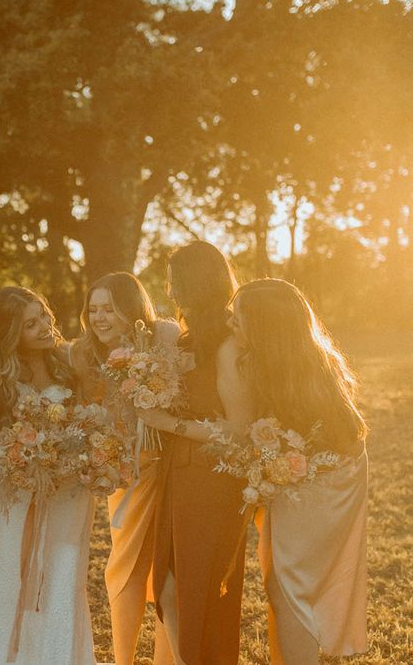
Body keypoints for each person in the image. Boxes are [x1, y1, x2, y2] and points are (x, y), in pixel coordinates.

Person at [151, 278, 368, 665]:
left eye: (239, 319)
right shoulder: (263, 356)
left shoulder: (304, 368)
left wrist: (173, 424)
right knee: (281, 585)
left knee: (289, 589)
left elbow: (338, 436)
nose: (230, 324)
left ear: (266, 326)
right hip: (297, 474)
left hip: (327, 480)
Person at [136, 242, 256, 665]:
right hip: (180, 475)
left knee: (198, 591)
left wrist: (169, 424)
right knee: (167, 586)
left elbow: (240, 431)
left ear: (193, 282)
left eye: (174, 281)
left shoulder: (227, 344)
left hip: (211, 480)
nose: (169, 291)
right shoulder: (192, 340)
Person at [0, 286, 96, 665]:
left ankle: (60, 656)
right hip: (15, 482)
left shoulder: (67, 359)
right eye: (31, 324)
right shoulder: (0, 367)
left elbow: (85, 417)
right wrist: (22, 458)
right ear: (13, 332)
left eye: (44, 315)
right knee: (12, 569)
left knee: (63, 571)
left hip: (68, 484)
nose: (45, 326)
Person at [70, 272, 178, 665]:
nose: (99, 318)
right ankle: (123, 660)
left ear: (130, 310)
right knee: (126, 567)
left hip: (171, 468)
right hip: (126, 473)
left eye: (109, 309)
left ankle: (168, 657)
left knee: (170, 569)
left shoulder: (161, 336)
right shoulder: (84, 354)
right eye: (93, 309)